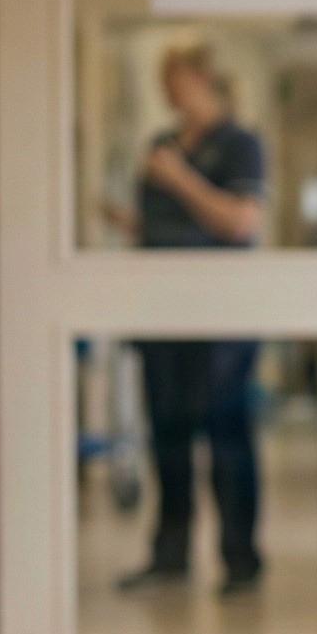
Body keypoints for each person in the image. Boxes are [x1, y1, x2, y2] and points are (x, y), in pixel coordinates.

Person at [121, 43, 268, 594]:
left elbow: (240, 222)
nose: (166, 88)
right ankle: (169, 555)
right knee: (168, 433)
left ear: (206, 79)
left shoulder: (239, 144)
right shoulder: (159, 142)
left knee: (225, 433)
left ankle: (240, 559)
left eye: (174, 76)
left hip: (220, 313)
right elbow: (158, 223)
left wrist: (180, 179)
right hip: (161, 308)